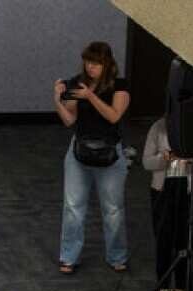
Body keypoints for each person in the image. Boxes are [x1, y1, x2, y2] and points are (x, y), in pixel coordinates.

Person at [52, 41, 131, 274]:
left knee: (113, 209)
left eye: (95, 64)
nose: (90, 68)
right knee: (73, 206)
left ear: (106, 63)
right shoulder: (78, 83)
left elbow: (114, 116)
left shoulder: (119, 86)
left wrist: (91, 96)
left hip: (110, 153)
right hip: (79, 150)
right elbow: (70, 120)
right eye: (87, 63)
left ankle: (117, 256)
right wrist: (58, 99)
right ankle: (68, 257)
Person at [142, 114, 193, 288]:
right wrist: (164, 158)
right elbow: (146, 162)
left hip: (191, 192)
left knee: (186, 243)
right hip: (162, 191)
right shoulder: (158, 127)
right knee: (163, 243)